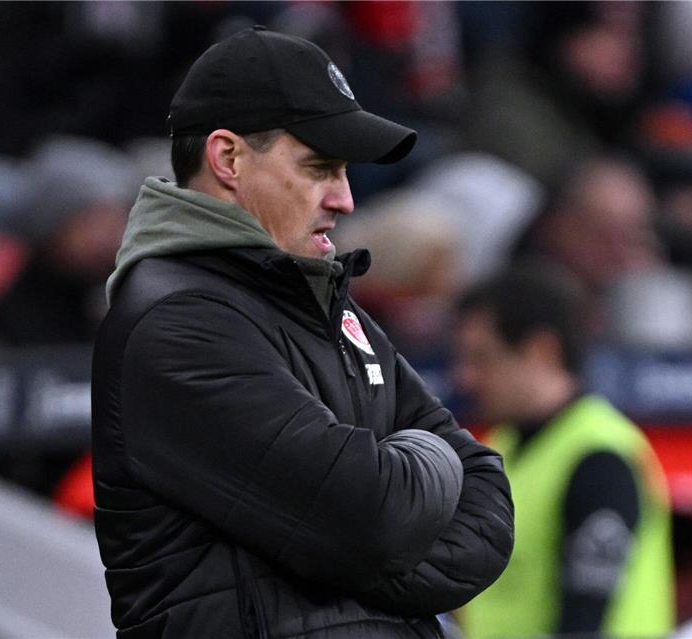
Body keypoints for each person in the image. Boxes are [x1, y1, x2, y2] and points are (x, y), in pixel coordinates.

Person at [91, 27, 514, 638]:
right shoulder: (175, 323)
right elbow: (369, 519)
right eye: (319, 168)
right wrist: (412, 481)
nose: (343, 198)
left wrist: (356, 543)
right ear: (228, 158)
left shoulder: (329, 304)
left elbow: (488, 504)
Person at [454, 262, 674, 638]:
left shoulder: (599, 457)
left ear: (542, 351)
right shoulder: (500, 448)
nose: (465, 377)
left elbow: (584, 621)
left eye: (483, 357)